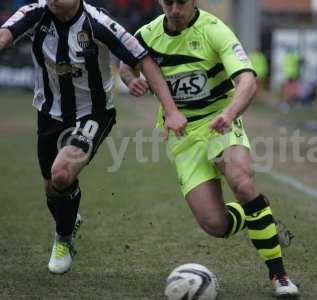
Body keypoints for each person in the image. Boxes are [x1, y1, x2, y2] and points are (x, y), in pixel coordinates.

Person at [120, 0, 299, 297]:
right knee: (215, 225)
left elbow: (247, 80)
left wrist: (229, 114)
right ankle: (258, 214)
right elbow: (126, 65)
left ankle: (279, 275)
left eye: (181, 3)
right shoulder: (147, 34)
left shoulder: (216, 31)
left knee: (241, 181)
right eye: (168, 3)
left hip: (220, 122)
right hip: (181, 134)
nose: (174, 10)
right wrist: (131, 80)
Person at [0, 0, 187, 274]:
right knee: (53, 188)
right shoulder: (34, 14)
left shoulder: (98, 22)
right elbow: (4, 35)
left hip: (93, 113)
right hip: (48, 114)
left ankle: (63, 239)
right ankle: (69, 218)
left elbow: (143, 58)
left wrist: (170, 110)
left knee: (62, 173)